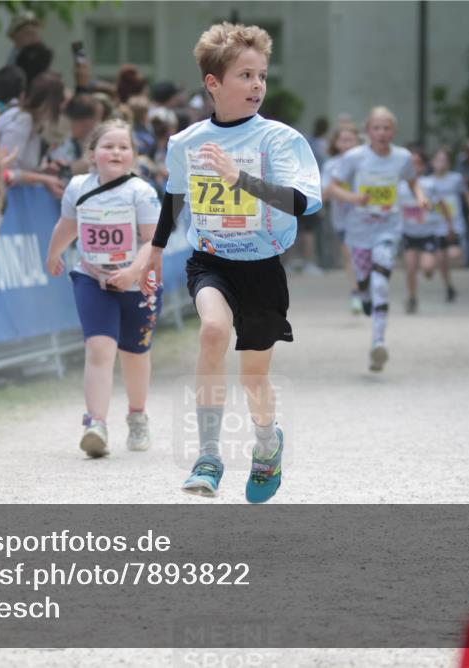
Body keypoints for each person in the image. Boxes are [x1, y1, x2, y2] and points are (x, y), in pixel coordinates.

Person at [140, 22, 322, 503]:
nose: (258, 85)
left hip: (263, 267)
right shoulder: (186, 142)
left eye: (262, 75)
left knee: (254, 377)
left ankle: (267, 444)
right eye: (245, 75)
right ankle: (209, 457)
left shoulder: (279, 140)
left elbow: (302, 203)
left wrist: (240, 177)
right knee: (213, 331)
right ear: (213, 83)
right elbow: (174, 197)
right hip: (211, 261)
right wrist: (155, 250)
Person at [46, 119, 163, 457]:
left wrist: (132, 272)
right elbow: (66, 226)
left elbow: (153, 242)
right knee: (99, 349)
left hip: (137, 282)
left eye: (123, 147)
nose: (115, 152)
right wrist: (53, 254)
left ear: (133, 155)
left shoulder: (140, 192)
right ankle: (95, 423)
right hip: (91, 277)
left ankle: (137, 416)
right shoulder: (78, 186)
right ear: (92, 153)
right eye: (108, 146)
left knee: (134, 353)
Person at [326, 106, 427, 372]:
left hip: (388, 228)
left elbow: (412, 181)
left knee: (381, 283)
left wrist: (420, 197)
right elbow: (332, 188)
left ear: (394, 131)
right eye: (377, 128)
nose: (382, 133)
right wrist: (354, 198)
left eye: (387, 128)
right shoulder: (355, 157)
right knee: (364, 285)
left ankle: (378, 343)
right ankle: (363, 294)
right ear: (368, 131)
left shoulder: (403, 157)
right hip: (359, 230)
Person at [428, 146, 469, 302]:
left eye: (444, 160)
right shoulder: (427, 182)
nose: (441, 164)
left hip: (454, 224)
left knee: (453, 254)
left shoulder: (456, 178)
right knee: (440, 260)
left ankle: (447, 276)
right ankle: (448, 286)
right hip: (435, 224)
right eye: (438, 160)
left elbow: (468, 195)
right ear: (432, 162)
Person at [320, 124, 362, 312]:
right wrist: (350, 197)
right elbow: (324, 192)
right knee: (350, 255)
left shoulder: (366, 161)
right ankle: (356, 291)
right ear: (336, 143)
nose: (346, 144)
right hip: (343, 219)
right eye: (342, 140)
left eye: (350, 140)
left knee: (365, 256)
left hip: (367, 218)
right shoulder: (331, 165)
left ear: (358, 141)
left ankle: (365, 288)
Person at [401, 149, 439, 314]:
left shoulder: (430, 184)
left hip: (427, 233)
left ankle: (430, 271)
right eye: (411, 164)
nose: (414, 167)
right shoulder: (399, 185)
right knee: (410, 267)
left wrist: (429, 205)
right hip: (408, 233)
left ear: (423, 167)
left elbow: (440, 204)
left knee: (428, 269)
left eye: (418, 164)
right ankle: (412, 297)